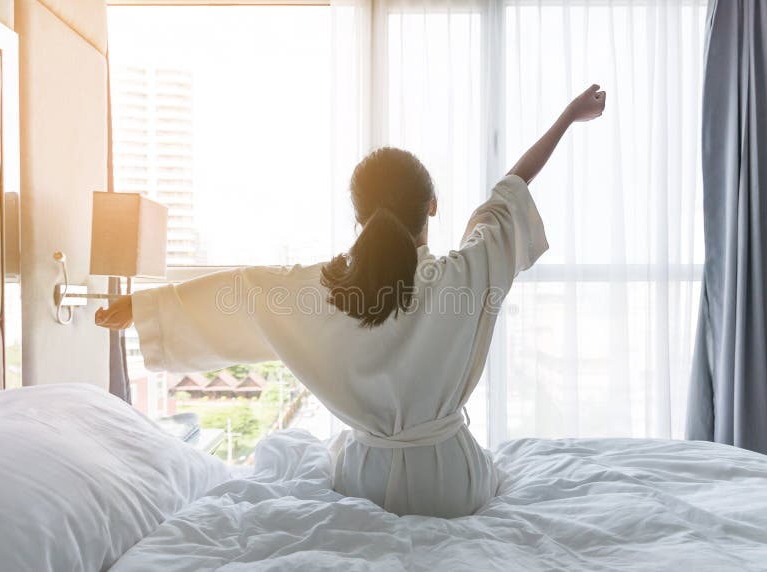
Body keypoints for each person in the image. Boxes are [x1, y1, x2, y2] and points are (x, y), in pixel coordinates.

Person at [96, 84, 606, 518]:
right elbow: (508, 193)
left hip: (367, 480)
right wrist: (567, 116)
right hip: (454, 484)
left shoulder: (326, 287)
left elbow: (241, 289)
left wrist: (146, 307)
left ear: (358, 217)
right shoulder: (467, 273)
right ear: (432, 205)